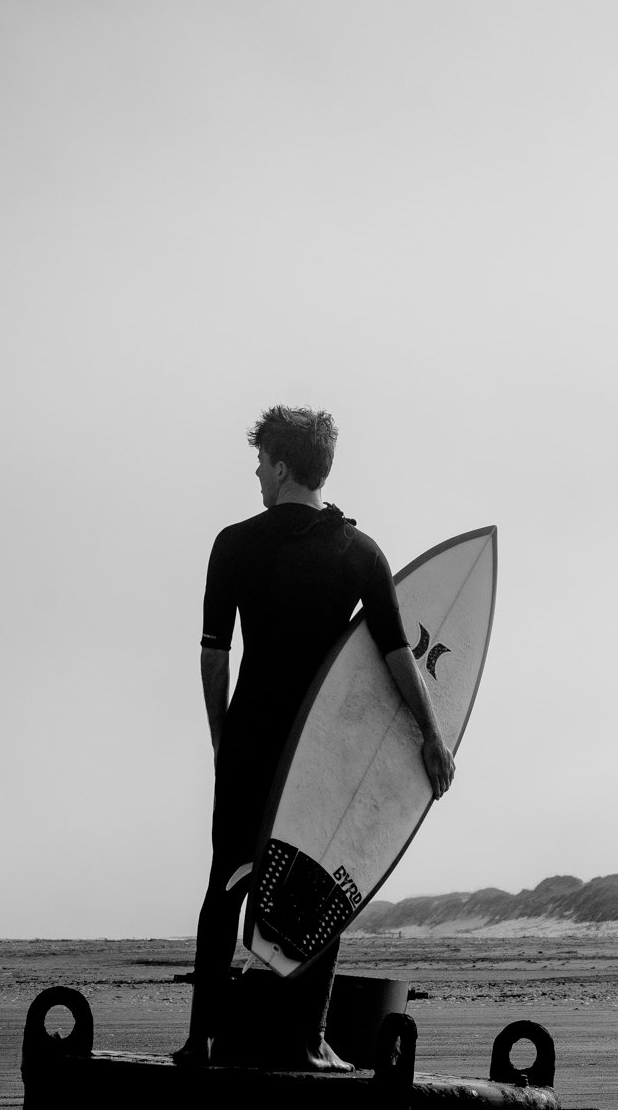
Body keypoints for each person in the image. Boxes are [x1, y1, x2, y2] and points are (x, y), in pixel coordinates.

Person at [176, 405, 456, 1067]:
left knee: (226, 884)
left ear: (280, 466)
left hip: (250, 741)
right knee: (317, 884)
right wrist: (432, 735)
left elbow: (215, 653)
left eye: (260, 462)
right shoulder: (358, 552)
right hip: (317, 749)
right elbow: (396, 654)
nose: (256, 473)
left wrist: (222, 740)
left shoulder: (233, 544)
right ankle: (307, 1040)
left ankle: (201, 1039)